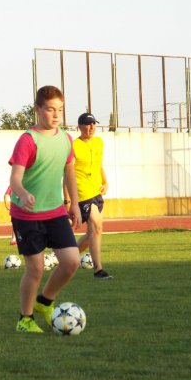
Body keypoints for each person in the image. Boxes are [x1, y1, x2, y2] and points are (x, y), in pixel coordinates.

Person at [8, 86, 82, 334]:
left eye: (59, 109)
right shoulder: (28, 140)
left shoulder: (65, 139)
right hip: (27, 216)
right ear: (38, 110)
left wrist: (74, 203)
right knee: (36, 268)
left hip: (55, 212)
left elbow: (69, 170)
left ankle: (44, 302)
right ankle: (25, 318)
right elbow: (15, 178)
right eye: (50, 109)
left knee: (72, 262)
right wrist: (23, 193)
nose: (56, 115)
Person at [66, 113, 112, 279]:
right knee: (97, 227)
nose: (91, 127)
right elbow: (67, 172)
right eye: (87, 124)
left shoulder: (99, 142)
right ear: (79, 126)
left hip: (96, 192)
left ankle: (64, 258)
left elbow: (100, 164)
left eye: (93, 124)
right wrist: (68, 200)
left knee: (90, 234)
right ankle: (98, 269)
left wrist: (105, 182)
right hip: (82, 192)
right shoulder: (73, 145)